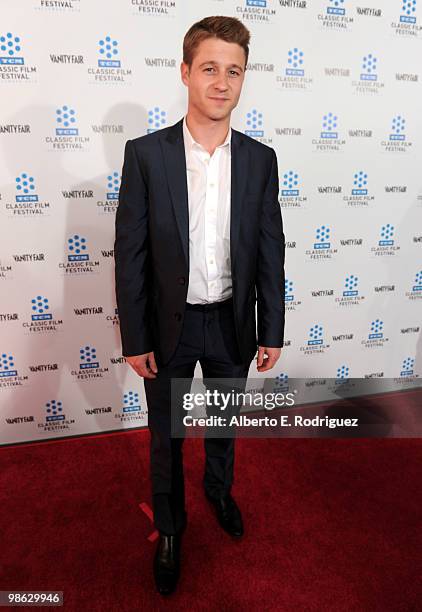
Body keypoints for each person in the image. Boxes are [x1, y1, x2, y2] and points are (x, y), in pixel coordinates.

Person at [114, 15, 285, 596]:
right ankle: (170, 528)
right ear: (186, 72)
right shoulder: (145, 155)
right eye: (210, 68)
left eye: (233, 71)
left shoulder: (261, 160)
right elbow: (130, 254)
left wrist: (272, 328)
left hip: (233, 324)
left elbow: (269, 250)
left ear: (243, 81)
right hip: (170, 329)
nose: (222, 81)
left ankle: (219, 490)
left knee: (223, 425)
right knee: (166, 436)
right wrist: (135, 338)